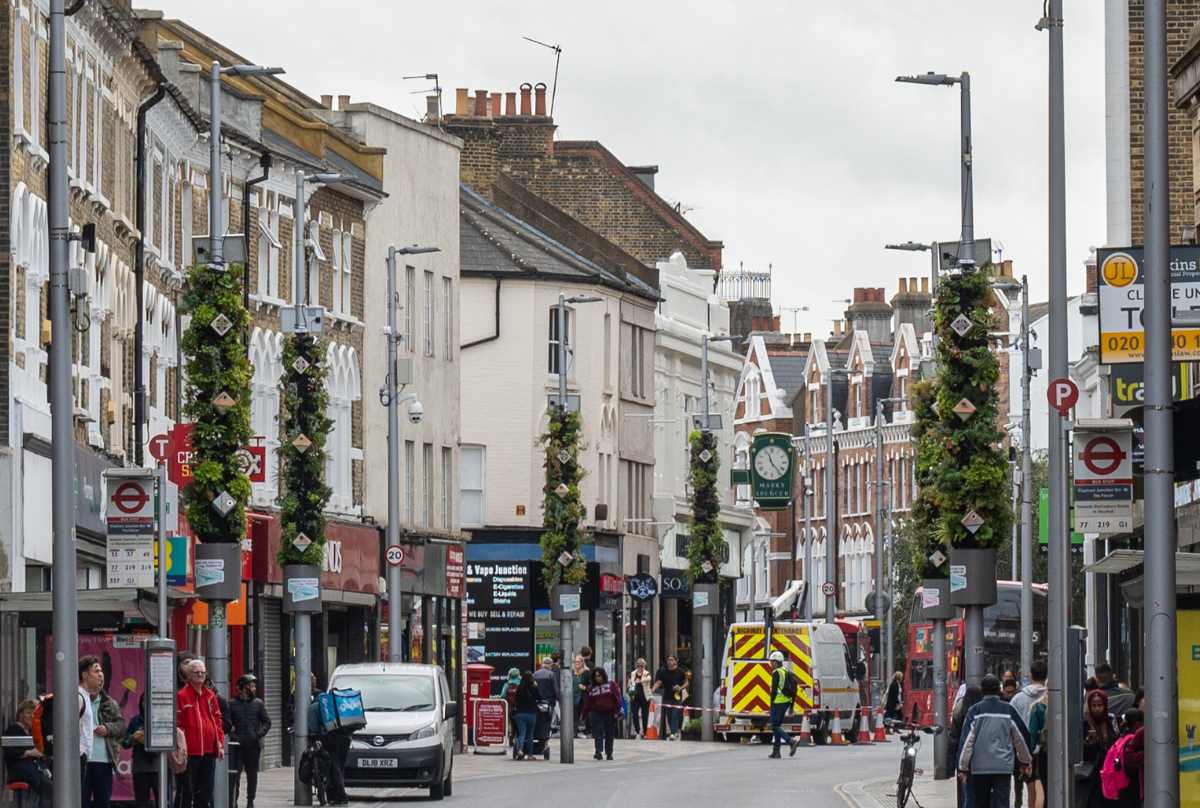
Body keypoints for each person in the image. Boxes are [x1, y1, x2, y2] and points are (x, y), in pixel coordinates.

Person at [957, 674, 1033, 808]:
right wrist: (1025, 761)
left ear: (983, 690)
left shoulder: (974, 711)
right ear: (999, 689)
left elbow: (967, 742)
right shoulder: (1008, 710)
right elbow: (1020, 738)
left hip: (979, 769)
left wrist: (962, 767)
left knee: (981, 802)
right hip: (1003, 768)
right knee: (1002, 802)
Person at [176, 658, 225, 808]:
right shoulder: (181, 696)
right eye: (197, 672)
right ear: (189, 675)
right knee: (187, 793)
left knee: (205, 793)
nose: (200, 675)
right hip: (189, 754)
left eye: (203, 672)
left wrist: (220, 744)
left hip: (209, 752)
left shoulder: (210, 696)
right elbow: (178, 724)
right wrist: (181, 748)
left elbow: (217, 721)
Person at [81, 654, 124, 808]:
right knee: (80, 801)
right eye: (96, 671)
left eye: (101, 671)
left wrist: (107, 728)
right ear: (84, 675)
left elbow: (120, 726)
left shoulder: (109, 702)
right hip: (81, 760)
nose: (100, 674)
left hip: (103, 760)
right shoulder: (76, 698)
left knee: (102, 802)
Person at [1010, 659, 1048, 808]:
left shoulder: (1017, 699)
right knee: (1042, 787)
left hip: (1023, 749)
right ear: (1046, 676)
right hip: (1046, 748)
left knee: (1030, 786)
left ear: (1031, 675)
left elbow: (1010, 725)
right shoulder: (1052, 696)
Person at [228, 674, 271, 808]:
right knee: (234, 776)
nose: (254, 688)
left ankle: (250, 801)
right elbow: (227, 725)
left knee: (252, 776)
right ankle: (232, 801)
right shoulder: (232, 704)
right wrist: (234, 737)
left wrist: (258, 734)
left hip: (253, 746)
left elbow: (267, 722)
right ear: (242, 688)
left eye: (254, 686)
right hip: (237, 746)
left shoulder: (258, 703)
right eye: (251, 686)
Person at [3, 699, 51, 805]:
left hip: (31, 769)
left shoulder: (30, 731)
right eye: (28, 713)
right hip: (19, 770)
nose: (31, 716)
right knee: (48, 788)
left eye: (34, 714)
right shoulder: (14, 729)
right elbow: (10, 753)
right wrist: (30, 752)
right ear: (20, 714)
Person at [1079, 689, 1120, 808]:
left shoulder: (1111, 720)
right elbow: (1081, 751)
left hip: (1109, 771)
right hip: (1092, 773)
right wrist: (1089, 741)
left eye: (1100, 705)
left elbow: (1116, 742)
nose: (1097, 709)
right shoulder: (1085, 724)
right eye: (1094, 706)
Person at [123, 694, 161, 808]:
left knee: (163, 802)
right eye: (144, 701)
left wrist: (147, 741)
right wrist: (134, 737)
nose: (147, 704)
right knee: (141, 803)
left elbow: (166, 743)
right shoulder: (135, 721)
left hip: (159, 769)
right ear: (141, 703)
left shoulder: (161, 720)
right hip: (140, 769)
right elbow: (124, 743)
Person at [950, 683, 983, 808]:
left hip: (964, 760)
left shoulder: (959, 710)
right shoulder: (981, 712)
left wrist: (954, 766)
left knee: (966, 793)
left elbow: (954, 739)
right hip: (981, 759)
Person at [580, 667, 622, 761]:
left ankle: (609, 753)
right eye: (596, 676)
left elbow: (617, 698)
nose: (598, 678)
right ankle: (598, 752)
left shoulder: (611, 685)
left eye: (599, 676)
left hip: (609, 713)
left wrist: (617, 711)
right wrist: (584, 714)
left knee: (609, 734)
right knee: (598, 733)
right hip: (596, 713)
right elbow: (588, 703)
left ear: (603, 675)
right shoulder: (592, 688)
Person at [767, 651, 799, 759]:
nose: (770, 664)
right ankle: (776, 752)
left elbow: (774, 691)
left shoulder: (776, 672)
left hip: (778, 702)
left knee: (774, 725)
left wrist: (771, 704)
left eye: (771, 662)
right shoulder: (786, 671)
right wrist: (791, 706)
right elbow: (794, 689)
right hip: (787, 701)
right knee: (777, 726)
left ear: (776, 662)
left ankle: (791, 741)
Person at [653, 655, 688, 740]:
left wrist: (680, 688)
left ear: (676, 661)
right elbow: (659, 682)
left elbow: (686, 683)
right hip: (667, 697)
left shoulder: (681, 672)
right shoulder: (663, 672)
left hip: (677, 697)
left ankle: (673, 733)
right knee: (669, 716)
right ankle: (675, 732)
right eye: (668, 660)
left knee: (675, 714)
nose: (669, 661)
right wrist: (653, 688)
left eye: (671, 660)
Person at [532, 657, 559, 759]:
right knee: (546, 723)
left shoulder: (535, 674)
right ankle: (544, 742)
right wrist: (558, 699)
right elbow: (555, 689)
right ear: (550, 665)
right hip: (548, 703)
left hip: (536, 703)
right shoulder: (551, 675)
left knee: (537, 721)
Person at [511, 671, 541, 761]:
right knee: (530, 735)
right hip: (531, 714)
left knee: (521, 734)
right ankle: (530, 754)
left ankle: (520, 750)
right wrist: (536, 686)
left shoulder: (519, 688)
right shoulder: (534, 687)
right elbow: (540, 697)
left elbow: (515, 700)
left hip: (519, 714)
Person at [1118, 708, 1145, 807]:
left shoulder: (1122, 737)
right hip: (1134, 787)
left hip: (1125, 786)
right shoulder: (1136, 736)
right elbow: (1129, 759)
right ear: (1138, 723)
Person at [627, 658, 653, 738]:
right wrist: (630, 686)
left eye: (642, 665)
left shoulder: (647, 673)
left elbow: (649, 679)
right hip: (635, 697)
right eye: (638, 665)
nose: (640, 667)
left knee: (645, 715)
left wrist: (640, 680)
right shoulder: (633, 673)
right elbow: (630, 683)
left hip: (644, 697)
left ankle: (645, 733)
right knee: (635, 714)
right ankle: (637, 732)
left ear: (644, 666)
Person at [572, 656, 591, 737]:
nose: (577, 663)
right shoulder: (572, 672)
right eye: (575, 662)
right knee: (574, 715)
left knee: (585, 715)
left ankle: (587, 731)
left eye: (579, 662)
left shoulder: (586, 672)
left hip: (583, 697)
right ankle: (574, 732)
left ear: (582, 662)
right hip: (573, 696)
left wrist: (585, 687)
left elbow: (591, 684)